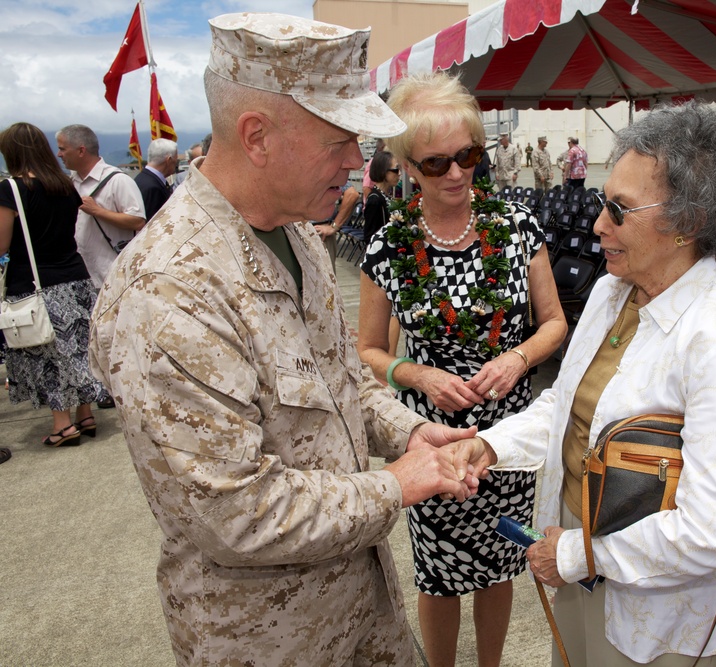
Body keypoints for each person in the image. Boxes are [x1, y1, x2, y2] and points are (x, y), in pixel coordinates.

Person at [87, 14, 479, 666]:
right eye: (338, 141)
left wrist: (410, 434)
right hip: (268, 639)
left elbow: (340, 378)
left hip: (362, 608)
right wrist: (398, 485)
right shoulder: (168, 293)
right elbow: (234, 512)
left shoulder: (297, 231)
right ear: (257, 137)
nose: (359, 162)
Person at [454, 101, 716, 666]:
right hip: (582, 555)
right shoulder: (614, 292)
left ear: (687, 222)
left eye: (619, 209)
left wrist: (582, 555)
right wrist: (491, 445)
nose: (598, 224)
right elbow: (569, 403)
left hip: (660, 594)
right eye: (601, 203)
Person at [358, 71, 567, 667]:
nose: (455, 174)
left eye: (468, 156)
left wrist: (518, 356)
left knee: (502, 560)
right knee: (439, 573)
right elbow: (368, 350)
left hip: (507, 433)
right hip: (436, 439)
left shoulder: (517, 227)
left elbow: (554, 323)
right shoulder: (390, 245)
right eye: (435, 163)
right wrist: (418, 375)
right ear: (406, 166)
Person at [0, 122, 105, 448]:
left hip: (36, 284)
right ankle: (85, 415)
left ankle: (62, 425)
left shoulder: (11, 189)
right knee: (78, 349)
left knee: (47, 354)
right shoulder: (65, 185)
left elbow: (2, 244)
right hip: (75, 277)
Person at [55, 124, 145, 288]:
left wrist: (97, 211)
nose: (59, 154)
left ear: (81, 151)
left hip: (112, 275)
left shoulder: (118, 180)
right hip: (80, 277)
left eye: (62, 149)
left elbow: (138, 221)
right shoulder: (68, 183)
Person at [312, 184, 360, 274]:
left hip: (318, 231)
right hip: (290, 229)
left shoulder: (324, 170)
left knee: (325, 279)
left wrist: (334, 226)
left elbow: (352, 194)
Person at [134, 138, 178, 220]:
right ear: (169, 160)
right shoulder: (152, 187)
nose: (175, 166)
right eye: (175, 162)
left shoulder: (142, 178)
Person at [363, 150, 399, 246]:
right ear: (383, 171)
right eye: (396, 170)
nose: (399, 173)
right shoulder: (375, 200)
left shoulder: (386, 196)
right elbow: (370, 237)